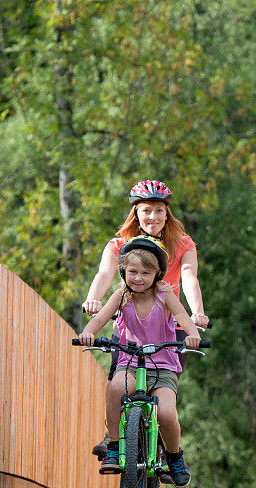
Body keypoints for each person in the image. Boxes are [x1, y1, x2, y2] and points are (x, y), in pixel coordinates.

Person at [83, 180, 208, 458]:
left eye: (160, 210)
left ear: (168, 214)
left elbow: (189, 277)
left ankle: (165, 442)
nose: (153, 217)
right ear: (136, 214)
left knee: (164, 388)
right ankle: (113, 436)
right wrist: (94, 299)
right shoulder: (120, 245)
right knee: (117, 377)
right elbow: (104, 274)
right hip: (132, 323)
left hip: (171, 326)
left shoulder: (182, 243)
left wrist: (197, 312)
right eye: (147, 210)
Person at [78, 236, 201, 487]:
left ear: (157, 274)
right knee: (114, 388)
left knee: (166, 413)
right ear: (123, 272)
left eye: (146, 273)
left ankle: (175, 457)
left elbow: (180, 314)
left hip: (162, 365)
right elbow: (101, 318)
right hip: (130, 363)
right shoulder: (122, 295)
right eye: (132, 272)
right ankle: (114, 446)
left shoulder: (164, 294)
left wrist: (193, 334)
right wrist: (89, 331)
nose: (138, 278)